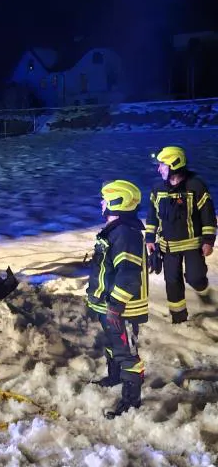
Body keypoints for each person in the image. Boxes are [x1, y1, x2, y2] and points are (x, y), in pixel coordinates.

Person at [86, 180, 147, 419]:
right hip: (109, 305)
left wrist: (116, 306)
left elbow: (129, 275)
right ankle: (114, 377)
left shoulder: (124, 233)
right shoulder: (116, 231)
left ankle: (131, 402)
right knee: (113, 345)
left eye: (105, 199)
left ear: (116, 203)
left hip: (122, 309)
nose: (102, 203)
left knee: (127, 354)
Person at [146, 146, 216, 324]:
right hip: (168, 247)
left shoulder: (196, 186)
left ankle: (203, 290)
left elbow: (207, 215)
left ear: (174, 165)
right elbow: (152, 216)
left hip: (192, 244)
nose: (159, 168)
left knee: (195, 277)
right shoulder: (157, 189)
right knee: (172, 282)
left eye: (162, 165)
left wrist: (208, 240)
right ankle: (179, 319)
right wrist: (150, 239)